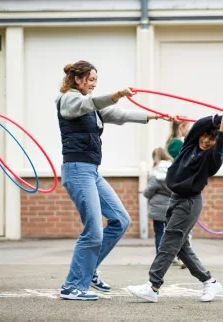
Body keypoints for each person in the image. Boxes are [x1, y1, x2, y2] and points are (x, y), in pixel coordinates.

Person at [56, 60, 173, 301]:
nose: (93, 84)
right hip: (77, 169)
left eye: (95, 81)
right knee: (93, 231)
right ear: (77, 79)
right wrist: (118, 93)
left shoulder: (93, 106)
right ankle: (72, 286)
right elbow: (90, 102)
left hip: (91, 171)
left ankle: (89, 270)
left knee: (120, 220)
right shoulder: (69, 99)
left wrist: (156, 116)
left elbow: (120, 115)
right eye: (90, 80)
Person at [126, 109, 223, 303]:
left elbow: (220, 142)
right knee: (181, 247)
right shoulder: (189, 145)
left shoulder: (212, 159)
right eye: (205, 136)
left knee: (168, 242)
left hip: (189, 202)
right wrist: (219, 117)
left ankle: (153, 285)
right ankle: (209, 281)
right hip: (175, 199)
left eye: (211, 140)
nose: (205, 141)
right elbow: (199, 125)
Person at [166, 119, 191, 268]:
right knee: (183, 223)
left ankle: (182, 256)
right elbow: (181, 162)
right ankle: (183, 256)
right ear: (182, 126)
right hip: (181, 185)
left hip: (181, 183)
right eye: (187, 127)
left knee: (181, 224)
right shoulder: (177, 143)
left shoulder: (176, 142)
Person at [143, 147, 173, 254]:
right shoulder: (173, 170)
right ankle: (173, 256)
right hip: (172, 207)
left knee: (159, 233)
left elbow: (149, 190)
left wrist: (146, 193)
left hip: (158, 209)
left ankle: (160, 258)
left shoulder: (155, 172)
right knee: (172, 234)